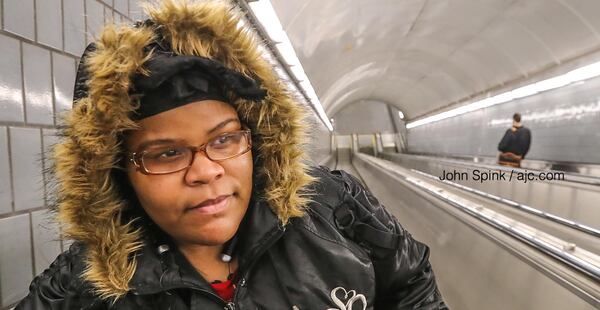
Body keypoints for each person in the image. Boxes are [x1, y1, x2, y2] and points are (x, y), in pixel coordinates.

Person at [15, 1, 447, 309]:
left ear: (256, 139)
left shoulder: (333, 209)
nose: (206, 172)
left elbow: (410, 284)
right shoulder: (84, 287)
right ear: (118, 172)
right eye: (166, 154)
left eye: (224, 140)